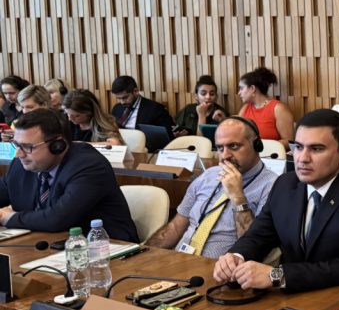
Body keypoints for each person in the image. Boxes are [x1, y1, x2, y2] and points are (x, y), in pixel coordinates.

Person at [213, 109, 339, 292]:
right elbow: (258, 235)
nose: (303, 158)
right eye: (298, 147)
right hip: (295, 295)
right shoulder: (285, 184)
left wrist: (277, 275)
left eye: (316, 149)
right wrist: (236, 256)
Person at [145, 117, 278, 258]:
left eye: (234, 146)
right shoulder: (208, 176)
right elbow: (175, 227)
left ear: (256, 145)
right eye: (220, 148)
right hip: (179, 260)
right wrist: (145, 253)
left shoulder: (272, 186)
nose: (225, 156)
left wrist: (238, 198)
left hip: (221, 267)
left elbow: (253, 247)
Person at [0, 109, 138, 241]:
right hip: (44, 243)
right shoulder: (21, 164)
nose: (18, 154)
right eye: (16, 145)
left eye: (27, 147)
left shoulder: (89, 166)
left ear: (57, 145)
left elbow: (57, 219)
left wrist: (8, 218)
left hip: (104, 246)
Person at [237, 67, 294, 142]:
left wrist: (262, 147)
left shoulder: (278, 109)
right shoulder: (245, 108)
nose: (239, 93)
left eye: (241, 88)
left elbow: (289, 141)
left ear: (252, 88)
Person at [110, 75, 176, 137]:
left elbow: (168, 133)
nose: (122, 102)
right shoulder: (117, 108)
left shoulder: (155, 109)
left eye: (125, 97)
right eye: (119, 98)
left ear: (136, 91)